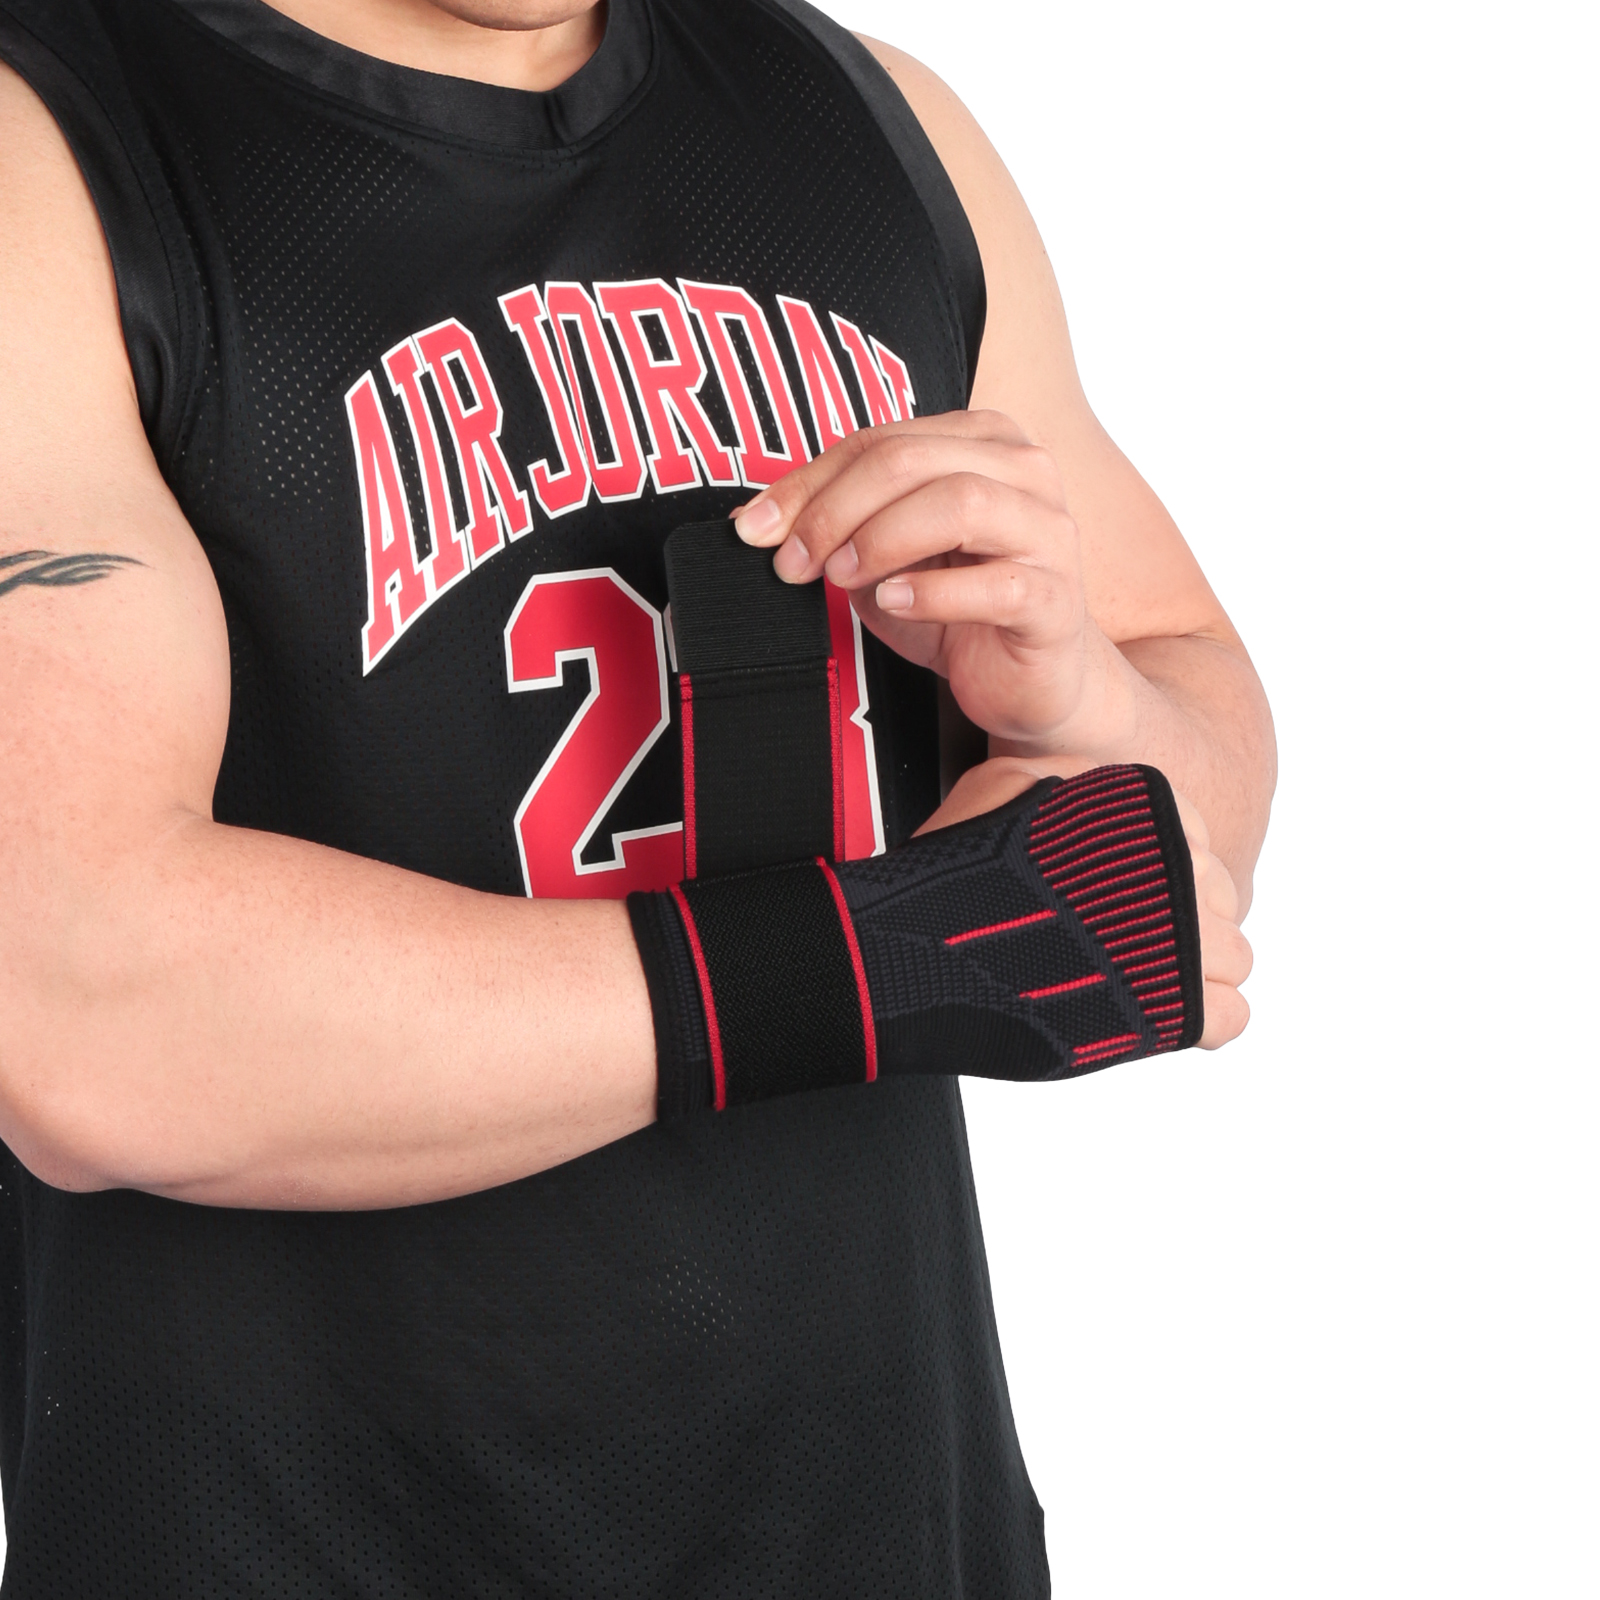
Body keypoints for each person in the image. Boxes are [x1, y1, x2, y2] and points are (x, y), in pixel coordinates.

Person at [0, 0, 1272, 1592]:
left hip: (888, 1522)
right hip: (290, 1540)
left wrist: (1076, 700)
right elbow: (77, 1009)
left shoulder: (873, 119)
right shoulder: (48, 145)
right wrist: (892, 957)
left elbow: (1180, 805)